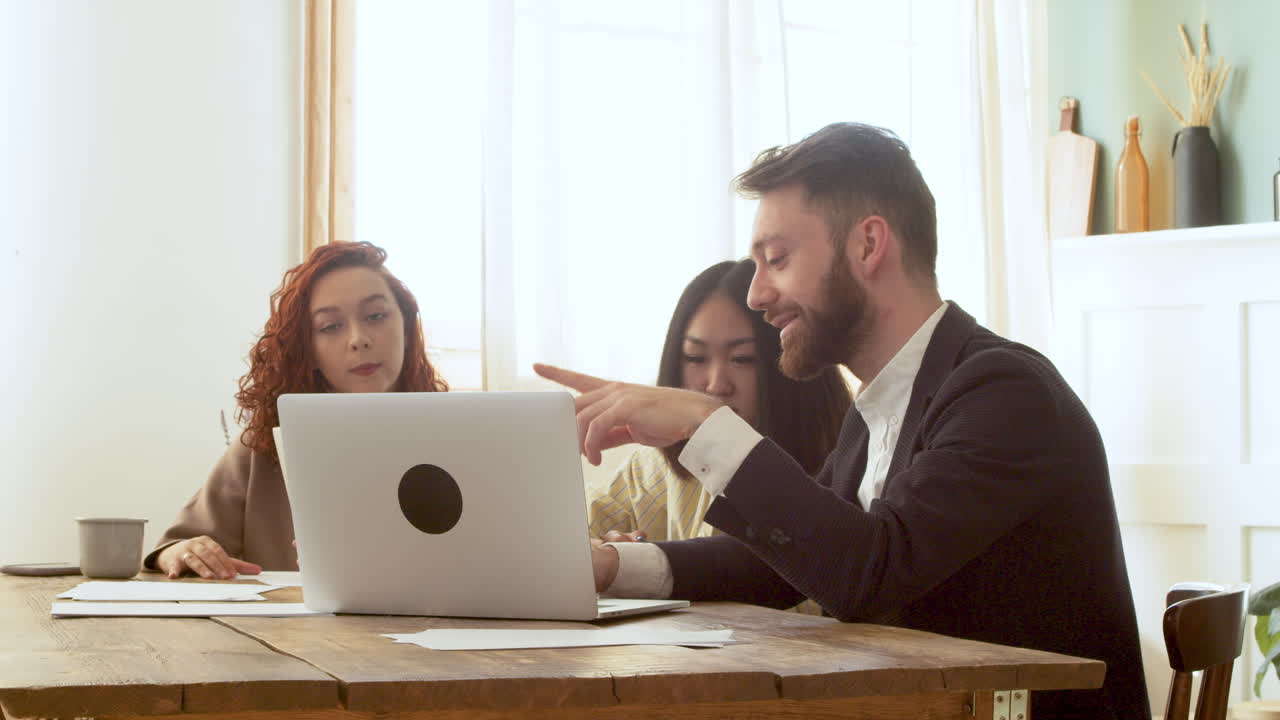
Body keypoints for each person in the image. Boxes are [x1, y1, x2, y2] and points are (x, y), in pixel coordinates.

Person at [537, 123, 1149, 719]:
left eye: (776, 259)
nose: (756, 294)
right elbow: (782, 566)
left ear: (867, 244)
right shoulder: (880, 408)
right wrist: (613, 567)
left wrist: (705, 421)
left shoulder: (1004, 393)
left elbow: (867, 572)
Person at [145, 241, 449, 579]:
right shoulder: (264, 447)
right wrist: (183, 552)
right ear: (309, 350)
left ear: (407, 325)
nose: (358, 339)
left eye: (376, 316)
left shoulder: (459, 435)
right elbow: (173, 548)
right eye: (330, 326)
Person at [586, 258, 851, 544]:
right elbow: (573, 539)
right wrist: (608, 548)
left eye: (742, 359)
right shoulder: (657, 465)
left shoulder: (843, 467)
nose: (715, 385)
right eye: (696, 358)